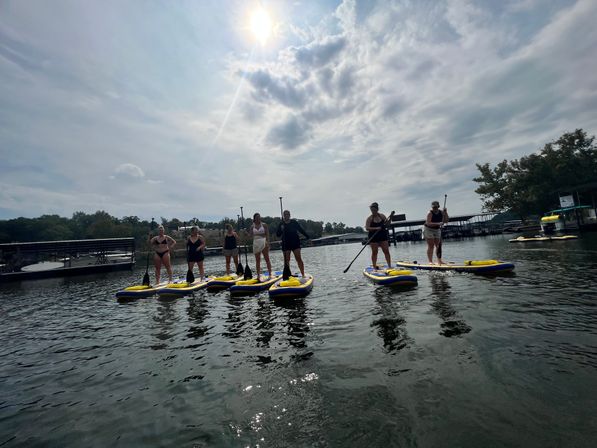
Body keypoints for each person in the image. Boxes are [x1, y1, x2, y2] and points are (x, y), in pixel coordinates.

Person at [276, 210, 310, 277]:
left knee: (298, 259)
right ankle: (288, 274)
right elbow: (278, 234)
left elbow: (300, 229)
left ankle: (303, 274)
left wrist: (307, 236)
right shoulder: (281, 224)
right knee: (287, 260)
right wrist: (281, 229)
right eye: (285, 214)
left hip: (295, 242)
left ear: (289, 215)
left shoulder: (294, 222)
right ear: (283, 216)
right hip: (286, 244)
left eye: (287, 214)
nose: (286, 216)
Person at [365, 202, 392, 269]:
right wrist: (376, 228)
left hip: (382, 235)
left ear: (377, 209)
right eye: (372, 210)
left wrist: (391, 217)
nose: (373, 211)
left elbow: (387, 225)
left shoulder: (382, 216)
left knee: (386, 251)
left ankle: (389, 266)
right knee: (375, 252)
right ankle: (374, 267)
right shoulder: (369, 218)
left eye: (374, 210)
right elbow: (367, 228)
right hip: (373, 237)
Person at [247, 212, 272, 281]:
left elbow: (267, 234)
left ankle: (270, 273)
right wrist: (245, 233)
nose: (258, 218)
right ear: (254, 219)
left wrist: (268, 242)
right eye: (257, 217)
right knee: (257, 260)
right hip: (256, 243)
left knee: (267, 258)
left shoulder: (264, 225)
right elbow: (250, 236)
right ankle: (258, 275)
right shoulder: (252, 226)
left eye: (259, 217)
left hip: (263, 241)